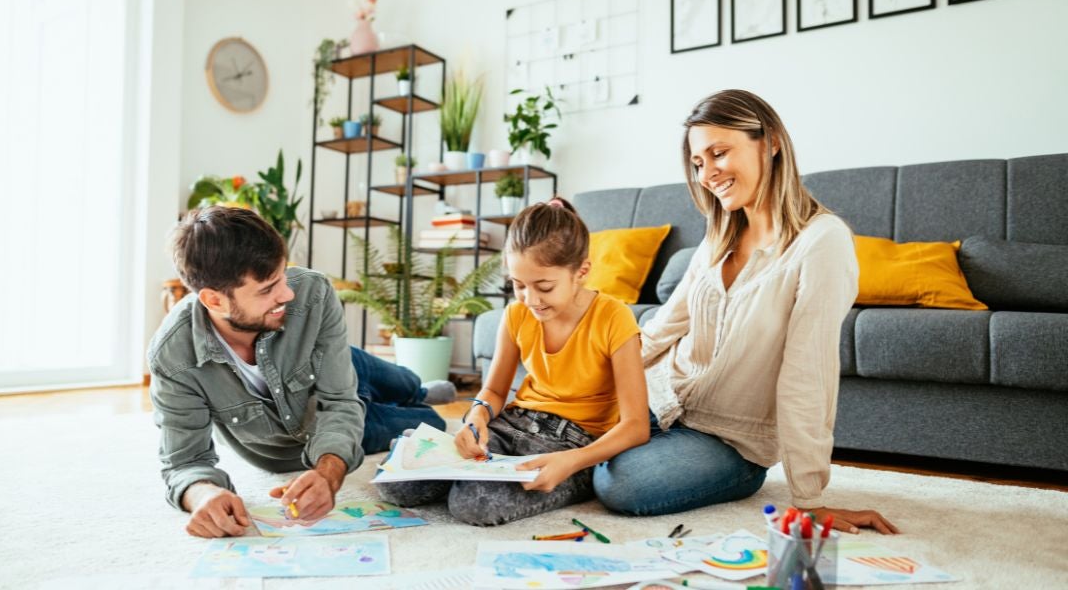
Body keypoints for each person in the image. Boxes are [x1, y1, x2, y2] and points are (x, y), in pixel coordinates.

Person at [592, 89, 899, 535]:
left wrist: (809, 499)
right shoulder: (718, 238)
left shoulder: (821, 242)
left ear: (771, 141)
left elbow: (807, 373)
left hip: (729, 442)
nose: (707, 174)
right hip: (659, 397)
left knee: (625, 483)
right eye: (698, 163)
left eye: (719, 153)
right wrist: (588, 376)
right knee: (542, 423)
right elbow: (662, 329)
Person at [147, 206, 453, 538]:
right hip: (309, 433)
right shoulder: (172, 357)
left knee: (403, 380)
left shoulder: (312, 294)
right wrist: (205, 494)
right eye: (267, 289)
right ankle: (420, 399)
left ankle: (419, 388)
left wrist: (329, 475)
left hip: (335, 372)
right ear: (215, 301)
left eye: (283, 275)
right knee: (432, 424)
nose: (287, 294)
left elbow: (340, 399)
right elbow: (184, 462)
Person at [377, 198, 651, 526]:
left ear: (581, 271)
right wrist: (476, 416)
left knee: (473, 504)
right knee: (397, 484)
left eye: (544, 287)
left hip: (572, 444)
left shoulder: (614, 318)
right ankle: (449, 465)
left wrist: (572, 461)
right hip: (513, 423)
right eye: (518, 286)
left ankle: (473, 477)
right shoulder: (516, 314)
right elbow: (493, 390)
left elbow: (636, 426)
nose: (531, 300)